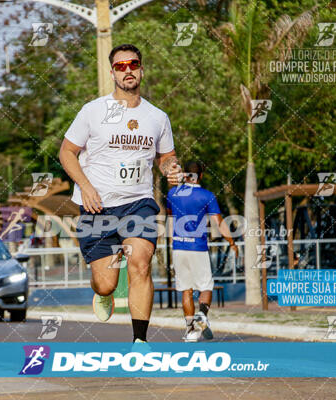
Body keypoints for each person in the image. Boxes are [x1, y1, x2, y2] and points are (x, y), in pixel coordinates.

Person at [59, 43, 182, 344]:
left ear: (141, 68)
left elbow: (166, 158)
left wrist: (171, 169)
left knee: (141, 263)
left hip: (139, 204)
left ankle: (140, 342)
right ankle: (103, 294)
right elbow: (67, 152)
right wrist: (86, 187)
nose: (128, 70)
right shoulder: (93, 111)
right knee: (106, 283)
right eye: (120, 66)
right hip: (97, 206)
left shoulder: (157, 117)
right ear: (113, 72)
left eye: (133, 64)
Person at [166, 162, 237, 342]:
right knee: (206, 286)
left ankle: (190, 331)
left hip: (178, 247)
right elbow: (218, 222)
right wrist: (232, 242)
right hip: (197, 247)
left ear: (185, 174)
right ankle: (202, 314)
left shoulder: (173, 193)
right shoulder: (207, 196)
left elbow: (170, 215)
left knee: (186, 290)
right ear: (201, 176)